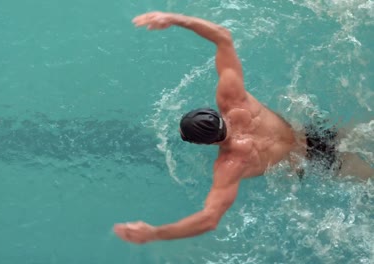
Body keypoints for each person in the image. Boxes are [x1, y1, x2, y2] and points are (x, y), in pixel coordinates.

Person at [113, 11, 373, 244]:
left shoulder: (230, 165)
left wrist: (155, 233)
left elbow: (209, 219)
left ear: (206, 143)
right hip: (317, 133)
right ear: (213, 112)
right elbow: (222, 37)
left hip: (316, 162)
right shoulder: (235, 101)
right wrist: (176, 19)